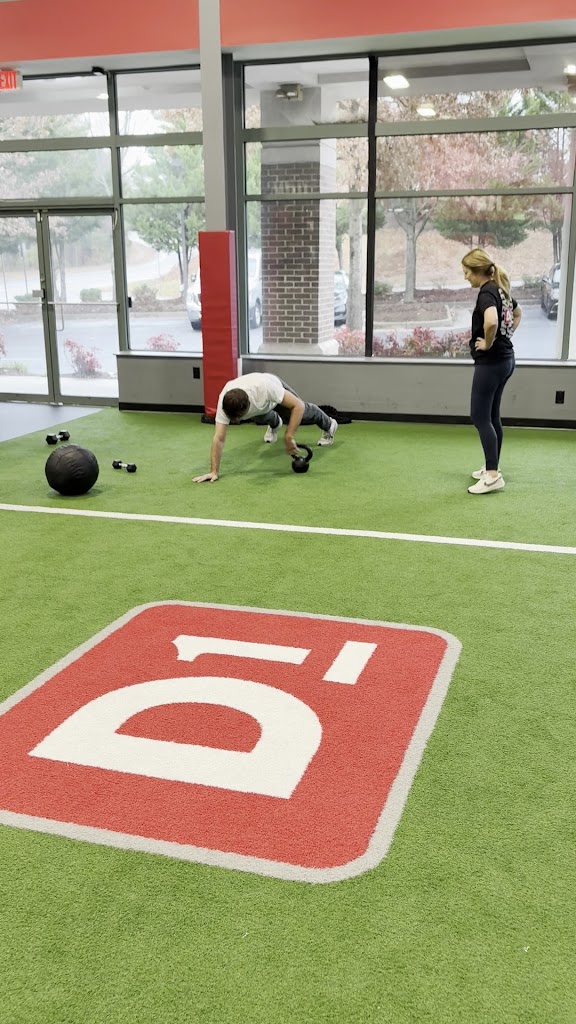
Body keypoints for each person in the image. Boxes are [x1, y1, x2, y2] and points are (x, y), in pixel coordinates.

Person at [192, 372, 338, 482]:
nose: (235, 421)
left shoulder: (265, 388)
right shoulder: (225, 402)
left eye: (238, 417)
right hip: (261, 407)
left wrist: (289, 435)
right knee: (260, 417)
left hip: (273, 389)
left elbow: (297, 406)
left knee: (302, 414)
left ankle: (329, 424)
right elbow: (219, 438)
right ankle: (275, 424)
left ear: (248, 406)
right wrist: (214, 471)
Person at [462, 248, 522, 495]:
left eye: (467, 272)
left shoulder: (487, 293)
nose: (465, 277)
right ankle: (492, 466)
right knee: (492, 416)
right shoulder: (500, 289)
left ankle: (493, 476)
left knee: (479, 416)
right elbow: (517, 313)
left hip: (492, 363)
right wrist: (505, 337)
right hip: (506, 360)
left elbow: (492, 321)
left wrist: (488, 342)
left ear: (478, 271)